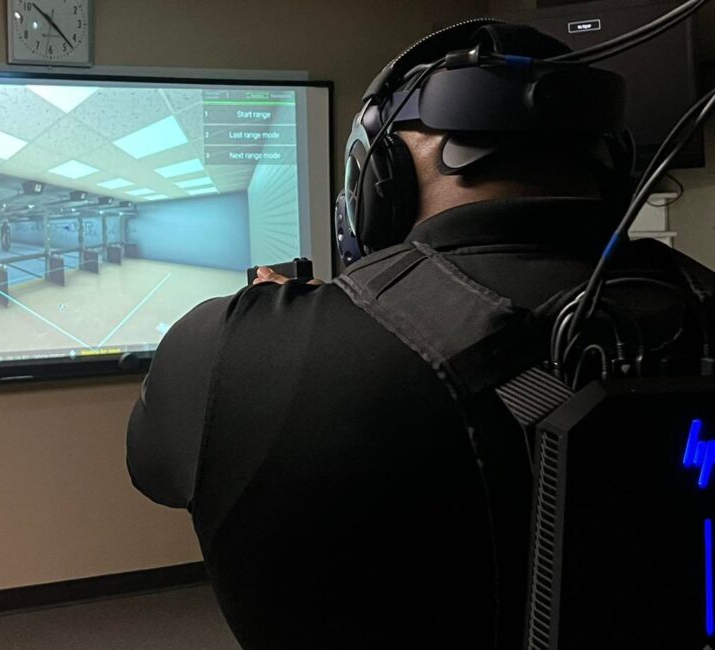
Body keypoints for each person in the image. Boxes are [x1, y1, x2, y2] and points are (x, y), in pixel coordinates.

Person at [127, 21, 715, 648]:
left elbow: (152, 465)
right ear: (616, 167)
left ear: (381, 181)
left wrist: (266, 326)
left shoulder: (223, 350)